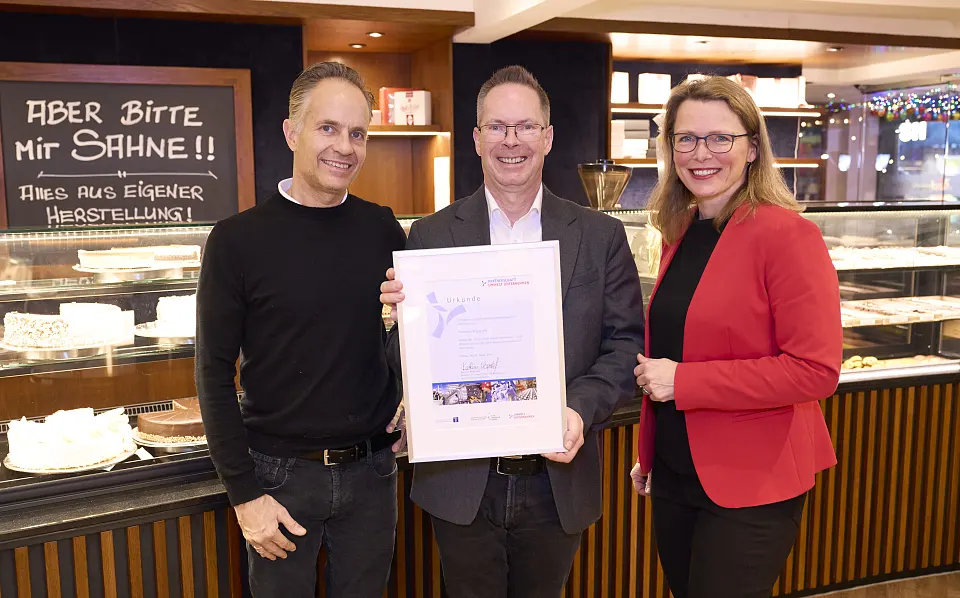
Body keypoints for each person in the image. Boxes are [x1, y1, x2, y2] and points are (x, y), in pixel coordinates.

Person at [380, 65, 645, 598]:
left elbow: (625, 346)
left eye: (526, 127)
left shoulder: (601, 235)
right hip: (461, 482)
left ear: (547, 137)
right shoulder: (431, 235)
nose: (511, 141)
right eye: (497, 127)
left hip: (556, 479)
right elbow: (402, 360)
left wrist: (576, 409)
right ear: (477, 139)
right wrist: (395, 322)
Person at [195, 62, 406, 598]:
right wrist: (244, 496)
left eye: (358, 133)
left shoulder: (382, 226)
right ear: (292, 132)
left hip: (373, 474)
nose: (346, 147)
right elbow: (213, 374)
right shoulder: (236, 241)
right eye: (328, 128)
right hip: (277, 479)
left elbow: (404, 333)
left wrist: (409, 394)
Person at [629, 76, 841, 598]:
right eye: (686, 138)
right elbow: (675, 347)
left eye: (719, 138)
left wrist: (685, 383)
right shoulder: (682, 230)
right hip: (677, 476)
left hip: (752, 481)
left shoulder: (788, 234)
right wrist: (651, 452)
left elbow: (815, 371)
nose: (701, 153)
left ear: (751, 148)